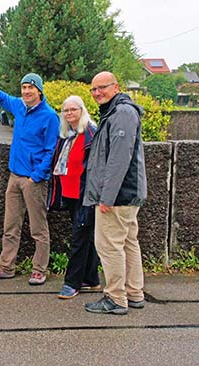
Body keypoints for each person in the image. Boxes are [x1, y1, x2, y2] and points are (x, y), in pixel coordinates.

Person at [0, 73, 59, 285]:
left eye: (31, 87)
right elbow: (2, 98)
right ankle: (6, 267)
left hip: (33, 180)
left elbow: (51, 150)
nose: (26, 91)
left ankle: (39, 269)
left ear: (39, 90)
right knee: (10, 225)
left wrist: (37, 176)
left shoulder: (49, 116)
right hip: (15, 176)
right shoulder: (19, 106)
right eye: (23, 87)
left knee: (38, 228)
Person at [83, 71, 147, 315]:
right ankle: (134, 293)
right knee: (129, 243)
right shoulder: (120, 111)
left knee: (109, 246)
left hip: (118, 196)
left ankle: (116, 298)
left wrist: (106, 197)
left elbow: (118, 160)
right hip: (127, 194)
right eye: (94, 89)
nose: (97, 93)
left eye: (103, 87)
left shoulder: (121, 113)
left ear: (116, 87)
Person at [47, 95, 100, 299]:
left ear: (82, 110)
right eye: (66, 110)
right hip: (70, 193)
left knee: (79, 238)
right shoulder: (68, 134)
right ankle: (91, 278)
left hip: (85, 194)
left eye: (73, 109)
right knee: (85, 237)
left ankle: (72, 283)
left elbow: (94, 167)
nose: (69, 113)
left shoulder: (90, 133)